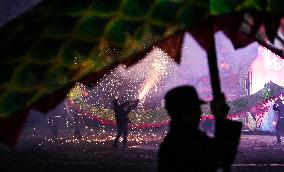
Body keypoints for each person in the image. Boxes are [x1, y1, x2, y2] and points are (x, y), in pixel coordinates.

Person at [158, 86, 242, 172]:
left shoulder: (176, 138)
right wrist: (220, 117)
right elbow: (222, 156)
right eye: (195, 108)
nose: (199, 113)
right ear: (186, 111)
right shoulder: (186, 140)